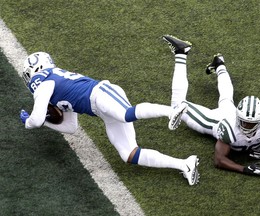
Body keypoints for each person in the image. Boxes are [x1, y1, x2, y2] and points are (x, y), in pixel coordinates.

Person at [19, 51, 200, 185]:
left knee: (125, 114)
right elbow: (70, 127)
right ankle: (185, 164)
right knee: (129, 154)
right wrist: (45, 122)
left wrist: (30, 121)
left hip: (101, 94)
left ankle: (171, 111)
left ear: (34, 70)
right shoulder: (55, 85)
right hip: (101, 110)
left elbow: (34, 120)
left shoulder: (43, 81)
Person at [162, 35, 260, 176]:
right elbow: (219, 160)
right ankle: (181, 53)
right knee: (177, 106)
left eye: (250, 124)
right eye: (243, 121)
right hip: (215, 120)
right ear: (238, 115)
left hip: (228, 113)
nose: (245, 126)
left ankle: (219, 64)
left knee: (226, 99)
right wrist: (244, 169)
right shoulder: (230, 127)